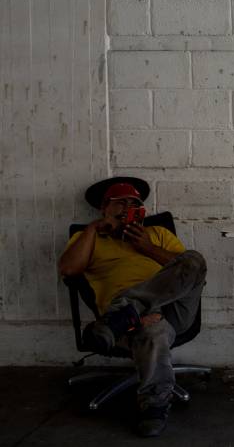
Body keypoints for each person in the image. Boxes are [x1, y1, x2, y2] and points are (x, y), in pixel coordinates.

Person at [58, 177, 207, 438]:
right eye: (120, 203)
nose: (128, 207)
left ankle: (128, 313)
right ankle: (154, 405)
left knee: (195, 260)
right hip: (137, 322)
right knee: (152, 330)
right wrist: (93, 229)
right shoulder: (89, 238)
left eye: (135, 203)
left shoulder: (159, 234)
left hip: (170, 310)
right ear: (105, 209)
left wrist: (148, 248)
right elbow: (69, 269)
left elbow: (190, 272)